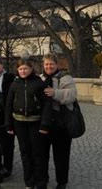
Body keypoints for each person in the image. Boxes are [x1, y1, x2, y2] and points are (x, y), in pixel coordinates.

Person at [5, 59, 52, 189]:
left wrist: (44, 125)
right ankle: (29, 183)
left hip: (35, 123)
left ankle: (40, 182)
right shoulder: (14, 84)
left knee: (38, 153)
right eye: (20, 69)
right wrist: (8, 125)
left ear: (31, 69)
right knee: (25, 153)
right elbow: (8, 105)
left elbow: (47, 105)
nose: (23, 71)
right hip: (19, 123)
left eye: (25, 68)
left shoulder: (39, 83)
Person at [40, 54, 77, 189]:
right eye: (46, 64)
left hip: (61, 123)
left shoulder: (65, 77)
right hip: (44, 123)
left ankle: (62, 182)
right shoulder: (40, 78)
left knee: (61, 156)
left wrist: (55, 93)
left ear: (56, 64)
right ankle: (43, 179)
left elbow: (72, 95)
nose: (48, 66)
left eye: (51, 64)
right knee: (42, 154)